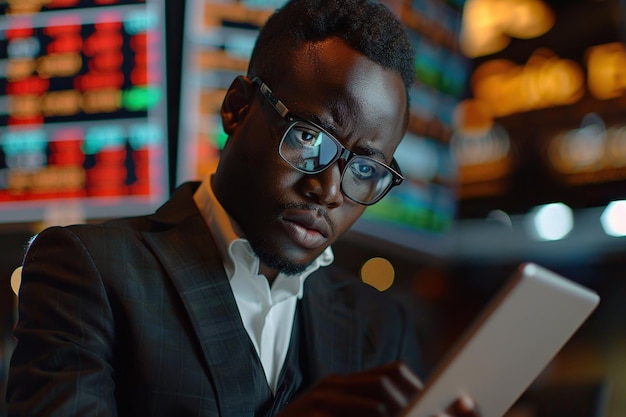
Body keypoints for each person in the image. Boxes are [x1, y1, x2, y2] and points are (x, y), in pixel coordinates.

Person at [6, 1, 479, 416]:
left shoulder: (381, 326)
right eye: (310, 138)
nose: (329, 189)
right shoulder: (89, 269)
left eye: (364, 169)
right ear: (237, 107)